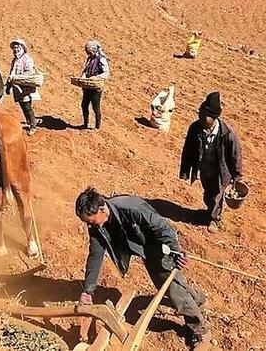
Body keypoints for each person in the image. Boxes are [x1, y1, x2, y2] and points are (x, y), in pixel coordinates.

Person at [75, 187, 211, 350]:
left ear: (102, 208)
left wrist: (175, 251)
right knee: (168, 286)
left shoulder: (132, 208)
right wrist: (88, 291)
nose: (90, 225)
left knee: (173, 289)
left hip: (160, 246)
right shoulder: (97, 227)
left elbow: (163, 228)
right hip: (144, 248)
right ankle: (197, 299)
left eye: (90, 221)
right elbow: (95, 255)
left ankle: (200, 330)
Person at [179, 91, 243, 233]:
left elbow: (235, 155)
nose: (201, 118)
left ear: (214, 118)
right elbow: (188, 149)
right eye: (200, 115)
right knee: (208, 192)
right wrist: (185, 170)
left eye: (205, 117)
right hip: (204, 166)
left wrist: (237, 176)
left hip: (221, 169)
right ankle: (209, 212)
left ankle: (215, 219)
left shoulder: (227, 134)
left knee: (217, 194)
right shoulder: (195, 128)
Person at [6, 39, 41, 136]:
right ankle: (29, 122)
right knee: (23, 106)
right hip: (18, 88)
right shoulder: (15, 60)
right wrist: (8, 86)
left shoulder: (27, 59)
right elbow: (11, 72)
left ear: (22, 48)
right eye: (14, 48)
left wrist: (18, 77)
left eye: (17, 47)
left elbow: (30, 72)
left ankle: (33, 125)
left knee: (27, 106)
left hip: (26, 88)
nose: (15, 49)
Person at [79, 40, 109, 130]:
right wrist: (83, 77)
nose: (88, 54)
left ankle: (97, 126)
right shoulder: (89, 59)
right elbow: (85, 70)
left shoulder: (101, 59)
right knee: (84, 105)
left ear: (94, 50)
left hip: (96, 88)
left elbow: (106, 73)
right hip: (88, 87)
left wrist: (96, 77)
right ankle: (85, 124)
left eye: (89, 51)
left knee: (96, 107)